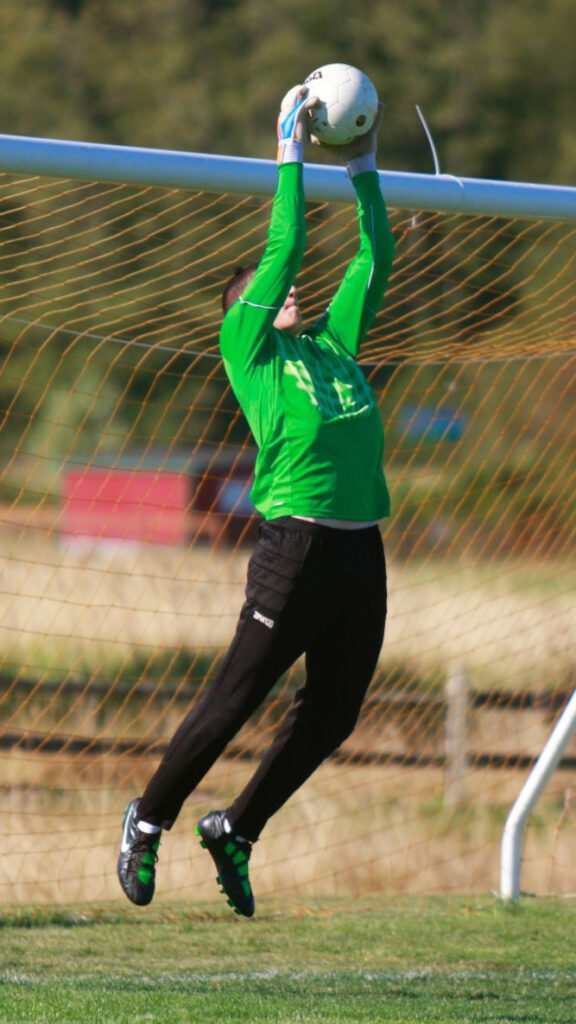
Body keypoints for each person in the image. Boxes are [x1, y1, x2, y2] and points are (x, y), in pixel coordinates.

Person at [117, 84, 395, 918]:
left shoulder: (332, 348)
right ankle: (147, 818)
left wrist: (366, 167)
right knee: (234, 699)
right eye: (269, 294)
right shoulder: (252, 350)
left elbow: (372, 257)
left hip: (359, 548)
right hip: (294, 546)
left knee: (336, 713)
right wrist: (289, 152)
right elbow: (283, 251)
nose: (287, 296)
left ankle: (235, 830)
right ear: (243, 311)